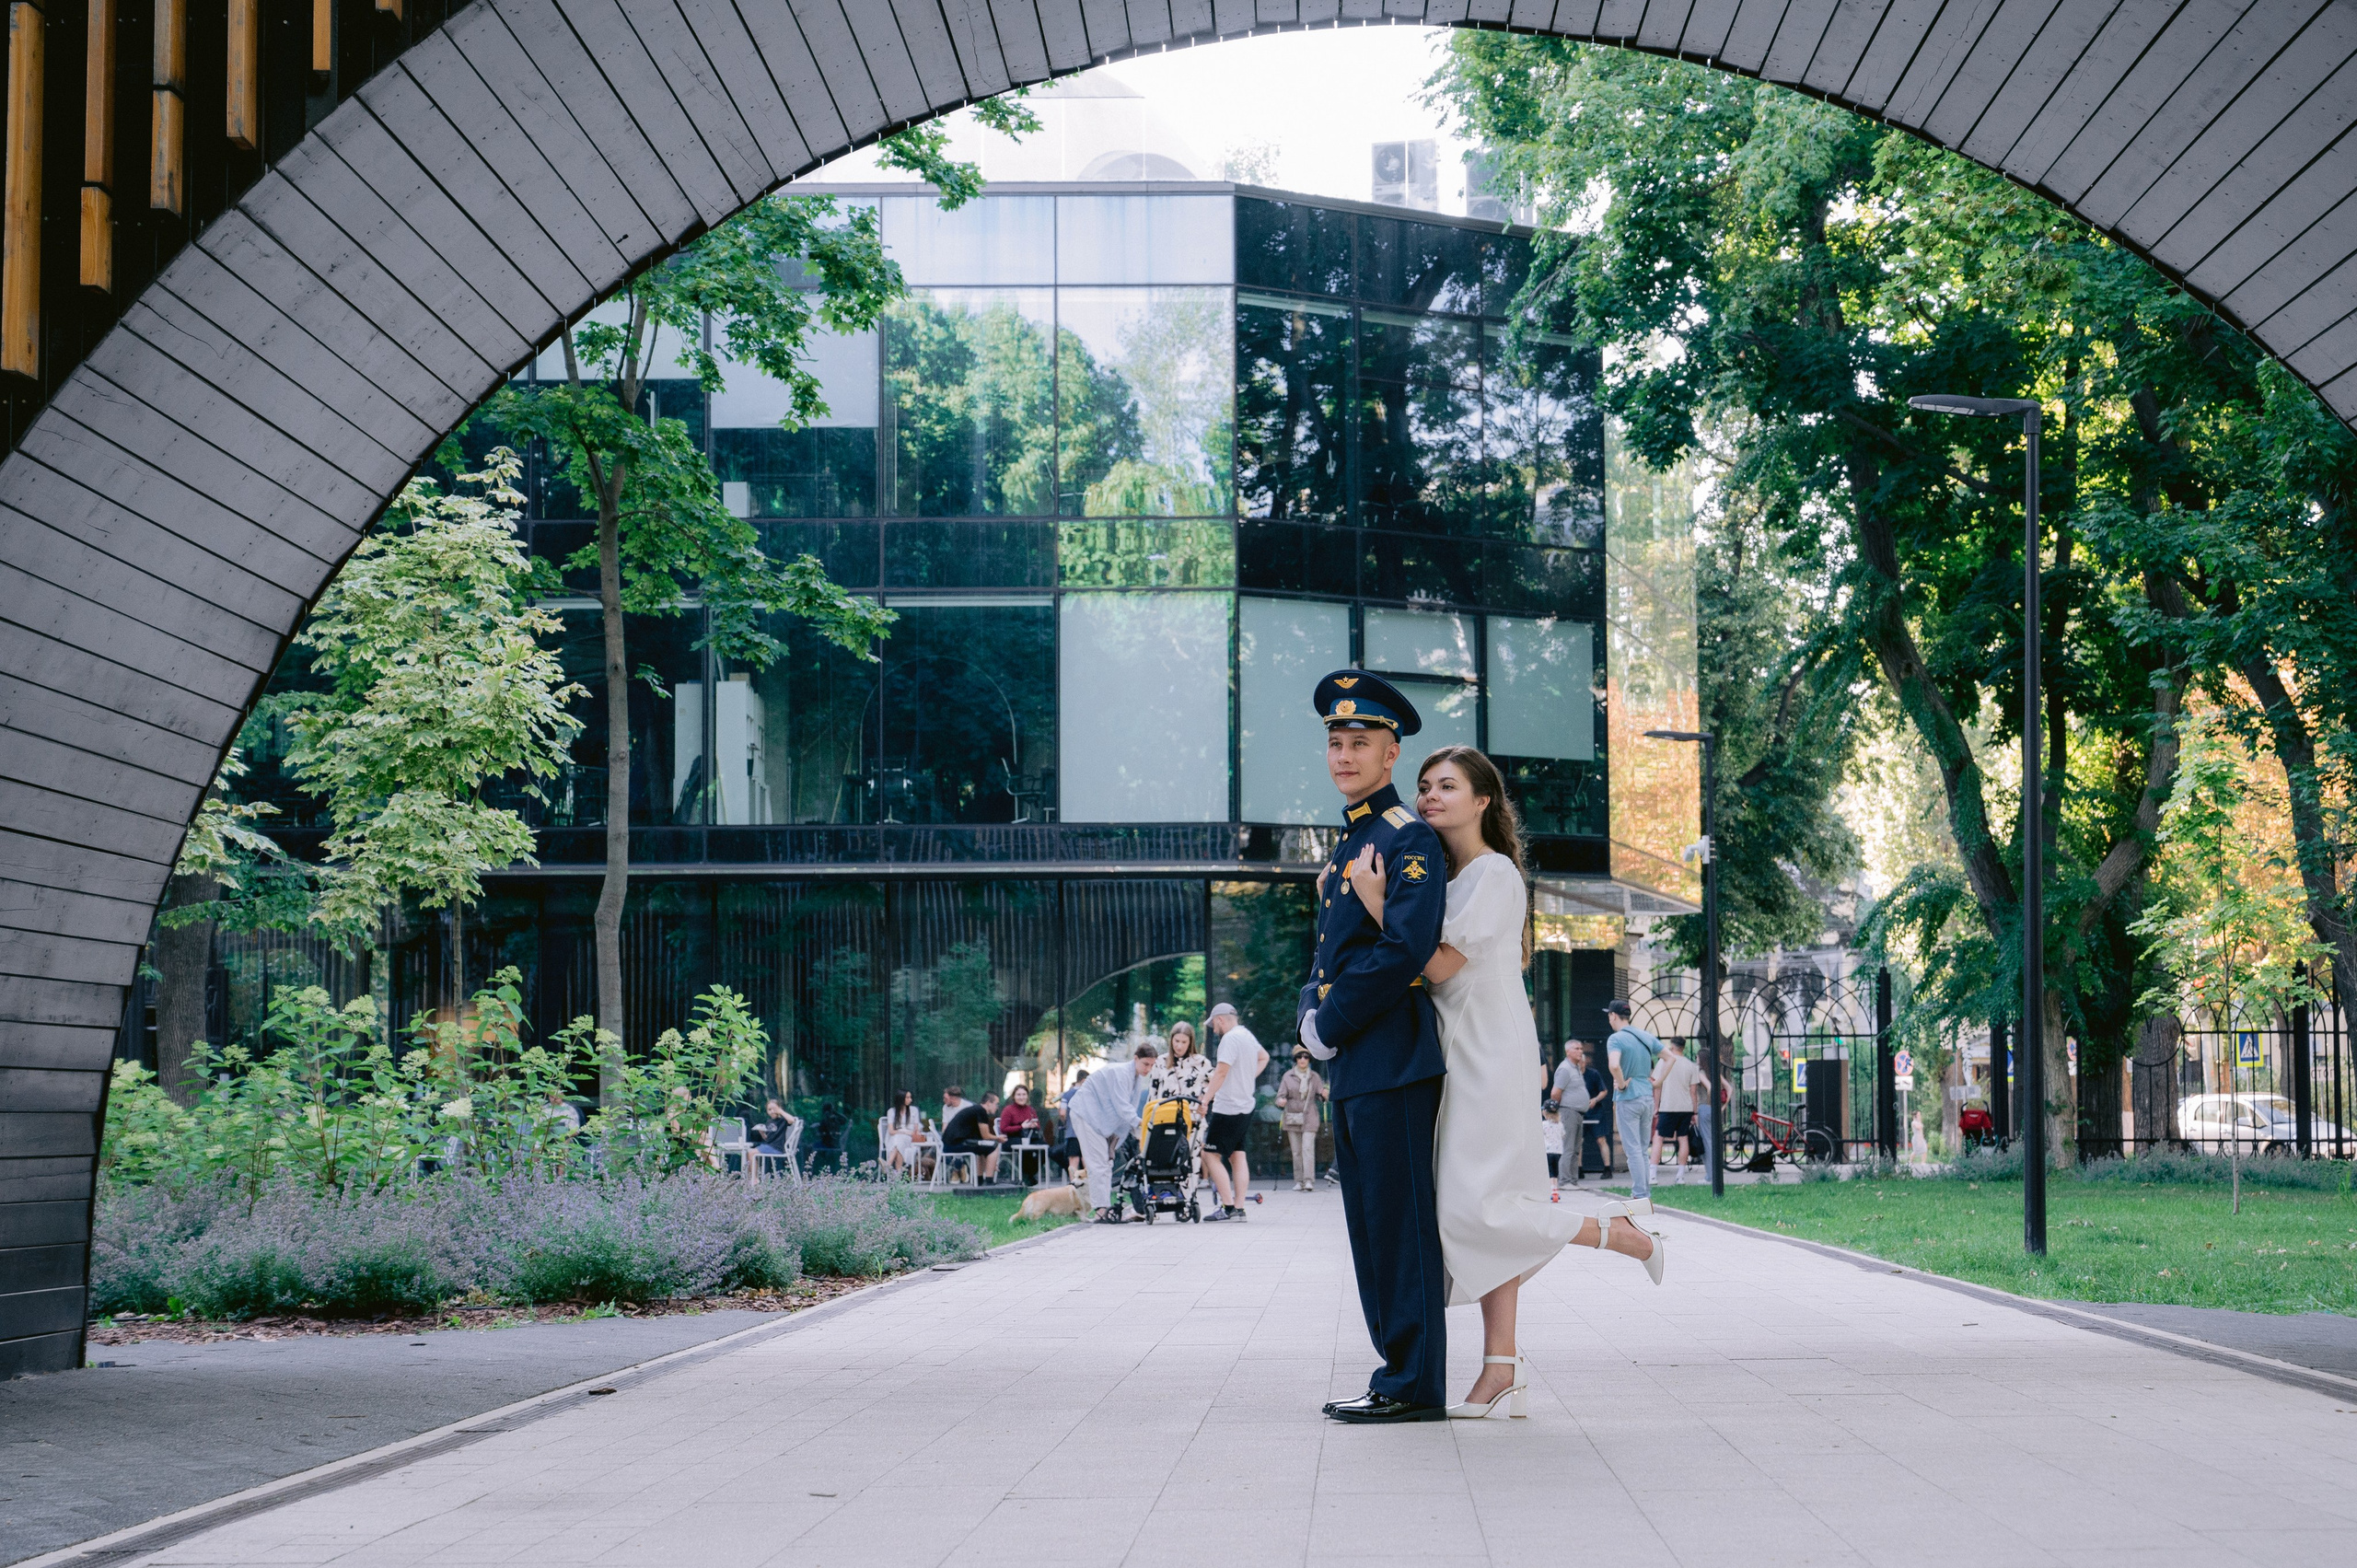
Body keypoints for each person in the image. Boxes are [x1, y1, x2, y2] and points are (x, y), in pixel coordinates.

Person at [1353, 744, 1662, 1423]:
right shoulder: (1449, 874)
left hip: (1487, 1052)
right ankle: (1501, 1369)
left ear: (1483, 800)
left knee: (1473, 1208)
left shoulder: (1491, 873)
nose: (1430, 797)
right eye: (1426, 786)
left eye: (1448, 786)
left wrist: (1375, 903)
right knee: (1492, 1200)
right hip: (1458, 1049)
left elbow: (1436, 967)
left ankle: (1621, 1232)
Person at [1295, 669, 1451, 1424]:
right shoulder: (1352, 838)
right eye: (1335, 741)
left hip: (1391, 1056)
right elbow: (1327, 954)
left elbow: (1403, 948)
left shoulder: (1406, 836)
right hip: (1357, 1064)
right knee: (1367, 1224)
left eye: (1361, 742)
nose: (1345, 754)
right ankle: (1396, 1369)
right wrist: (1307, 1014)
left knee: (1399, 1224)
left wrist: (1328, 1023)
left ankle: (1414, 1380)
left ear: (1392, 755)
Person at [1064, 1044, 1156, 1221]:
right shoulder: (1120, 1073)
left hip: (1101, 1119)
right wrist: (1140, 1123)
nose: (1148, 1069)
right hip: (1086, 1114)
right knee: (1098, 1163)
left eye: (1152, 1065)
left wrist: (1133, 1128)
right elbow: (1122, 1106)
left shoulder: (1135, 1077)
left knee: (1105, 1163)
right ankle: (1101, 1209)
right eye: (1146, 1064)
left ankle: (1103, 1208)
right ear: (1136, 1058)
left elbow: (1125, 1109)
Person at [1201, 1003, 1268, 1220]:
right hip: (1245, 1106)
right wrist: (1248, 1077)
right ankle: (1239, 1209)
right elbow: (1264, 1057)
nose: (1213, 1029)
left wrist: (1205, 1100)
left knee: (1209, 1154)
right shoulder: (1247, 1036)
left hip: (1227, 1107)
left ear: (1220, 1019)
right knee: (1237, 1156)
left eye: (1213, 1024)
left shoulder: (1229, 1039)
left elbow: (1220, 1072)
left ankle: (1228, 1207)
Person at [1607, 999, 1664, 1200]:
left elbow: (1614, 1065)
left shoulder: (1616, 1039)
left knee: (1633, 1150)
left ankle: (1639, 1194)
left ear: (1613, 1016)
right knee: (1641, 1149)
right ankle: (1645, 1193)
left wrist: (1621, 1084)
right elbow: (1670, 1058)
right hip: (1647, 1096)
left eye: (1609, 1015)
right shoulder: (1645, 1036)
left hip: (1628, 1098)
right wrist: (1658, 1082)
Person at [1652, 1038, 1707, 1183]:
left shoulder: (1663, 1062)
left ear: (1672, 1046)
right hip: (1685, 1107)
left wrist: (1656, 1106)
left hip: (1668, 1106)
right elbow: (1693, 1092)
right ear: (1683, 1047)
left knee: (1658, 1138)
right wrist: (1694, 1112)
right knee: (1683, 1139)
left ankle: (1652, 1175)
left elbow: (1657, 1086)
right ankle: (1680, 1176)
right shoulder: (1691, 1066)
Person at [1274, 1048, 1328, 1191]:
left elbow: (1320, 1096)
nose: (1303, 1059)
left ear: (1309, 1059)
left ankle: (1309, 1181)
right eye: (1299, 1057)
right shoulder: (1288, 1076)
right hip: (1292, 1117)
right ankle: (1299, 1181)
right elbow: (1279, 1096)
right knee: (1296, 1151)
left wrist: (1324, 1094)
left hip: (1309, 1115)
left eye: (1306, 1057)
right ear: (1295, 1059)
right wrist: (1281, 1101)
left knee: (1308, 1149)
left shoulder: (1314, 1077)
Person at [1547, 1043, 1592, 1185]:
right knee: (1568, 1148)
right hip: (1568, 1111)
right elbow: (1555, 1092)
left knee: (1576, 1149)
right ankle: (1565, 1181)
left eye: (1581, 1049)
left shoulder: (1576, 1068)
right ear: (1568, 1051)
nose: (1580, 1051)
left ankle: (1573, 1181)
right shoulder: (1565, 1069)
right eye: (1576, 1049)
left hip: (1578, 1113)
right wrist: (1557, 1111)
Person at [940, 1091, 1004, 1183]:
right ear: (989, 1103)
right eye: (996, 1104)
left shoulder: (975, 1110)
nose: (997, 1107)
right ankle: (989, 1181)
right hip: (955, 1144)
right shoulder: (981, 1111)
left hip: (949, 1144)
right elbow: (986, 1136)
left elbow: (982, 1139)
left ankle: (980, 1180)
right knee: (994, 1147)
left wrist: (991, 1161)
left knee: (983, 1148)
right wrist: (998, 1138)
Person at [997, 1085, 1044, 1183]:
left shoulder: (1030, 1110)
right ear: (1014, 1096)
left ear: (1027, 1096)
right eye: (1018, 1095)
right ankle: (1025, 1177)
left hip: (1029, 1137)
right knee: (1025, 1149)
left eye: (1024, 1094)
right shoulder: (1008, 1110)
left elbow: (1038, 1126)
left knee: (1045, 1148)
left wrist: (1033, 1125)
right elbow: (1003, 1128)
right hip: (1011, 1138)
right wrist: (1021, 1127)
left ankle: (1029, 1174)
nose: (1021, 1097)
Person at [750, 1098, 801, 1173]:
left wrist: (780, 1111)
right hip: (770, 1146)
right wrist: (762, 1132)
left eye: (774, 1109)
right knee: (749, 1152)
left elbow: (792, 1120)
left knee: (751, 1152)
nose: (772, 1111)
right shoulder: (769, 1122)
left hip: (777, 1148)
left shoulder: (783, 1120)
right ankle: (753, 1177)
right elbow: (768, 1139)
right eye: (769, 1110)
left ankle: (754, 1179)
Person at [880, 1089, 924, 1176]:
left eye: (910, 1097)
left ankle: (888, 1164)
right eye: (907, 1097)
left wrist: (904, 1132)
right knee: (899, 1141)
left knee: (900, 1140)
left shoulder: (913, 1110)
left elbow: (916, 1131)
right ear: (901, 1099)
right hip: (893, 1138)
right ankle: (898, 1174)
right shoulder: (891, 1111)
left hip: (909, 1138)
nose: (910, 1100)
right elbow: (891, 1131)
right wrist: (903, 1131)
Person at [1055, 1074, 1087, 1183]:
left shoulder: (1067, 1095)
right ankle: (1090, 1185)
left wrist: (1067, 1123)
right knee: (1087, 1160)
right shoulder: (1088, 1093)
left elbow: (1062, 1113)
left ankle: (1074, 1185)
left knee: (1073, 1161)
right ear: (1084, 1080)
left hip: (1072, 1132)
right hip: (1087, 1133)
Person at [1541, 1107, 1564, 1189]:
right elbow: (1563, 1135)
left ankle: (1552, 1187)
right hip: (1558, 1151)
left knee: (1549, 1171)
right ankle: (1555, 1186)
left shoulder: (1544, 1124)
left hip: (1548, 1151)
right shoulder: (1560, 1125)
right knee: (1555, 1171)